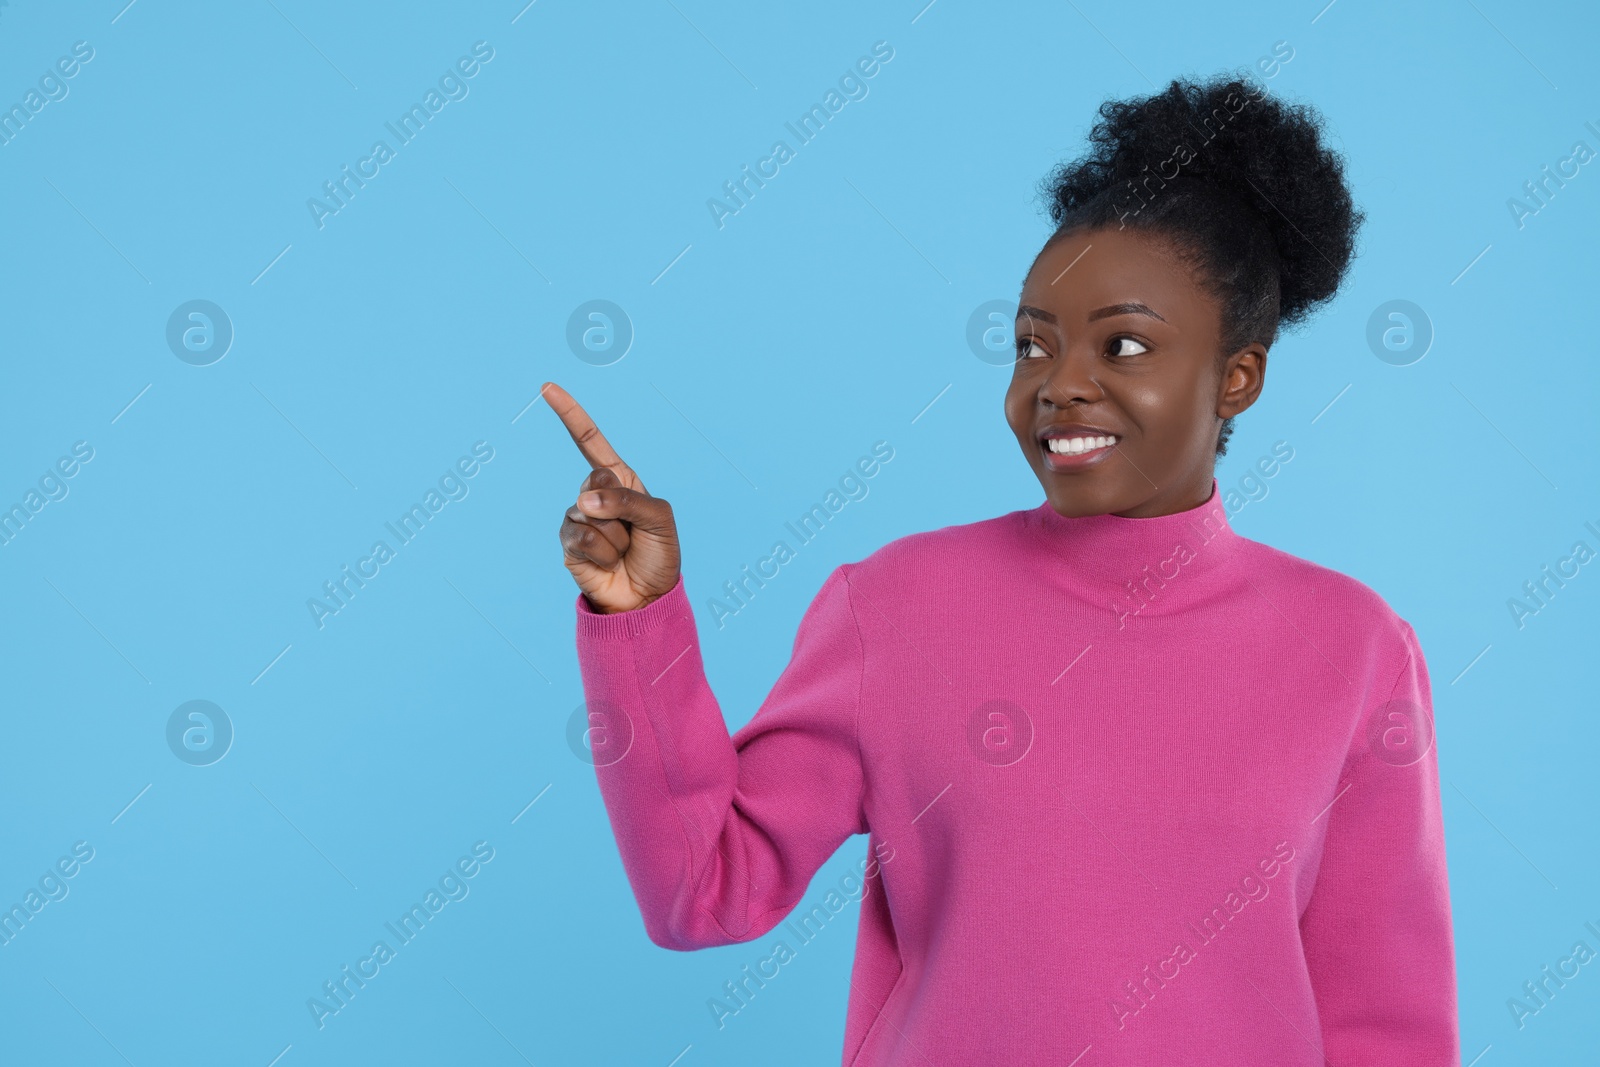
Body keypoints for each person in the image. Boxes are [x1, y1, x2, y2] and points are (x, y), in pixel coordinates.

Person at [549, 71, 1459, 1066]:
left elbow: (1385, 1020)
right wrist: (638, 622)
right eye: (1032, 345)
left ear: (1236, 374)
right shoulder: (893, 606)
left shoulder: (1353, 646)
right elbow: (702, 888)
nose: (1059, 385)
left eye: (1122, 343)